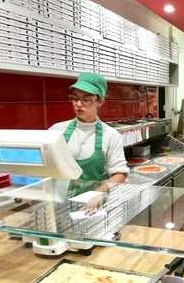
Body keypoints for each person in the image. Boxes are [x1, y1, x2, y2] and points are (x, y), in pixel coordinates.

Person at [49, 72, 129, 212]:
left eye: (86, 99)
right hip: (60, 205)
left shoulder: (110, 135)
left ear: (100, 102)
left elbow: (120, 174)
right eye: (75, 99)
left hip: (94, 206)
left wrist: (99, 192)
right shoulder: (57, 131)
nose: (78, 104)